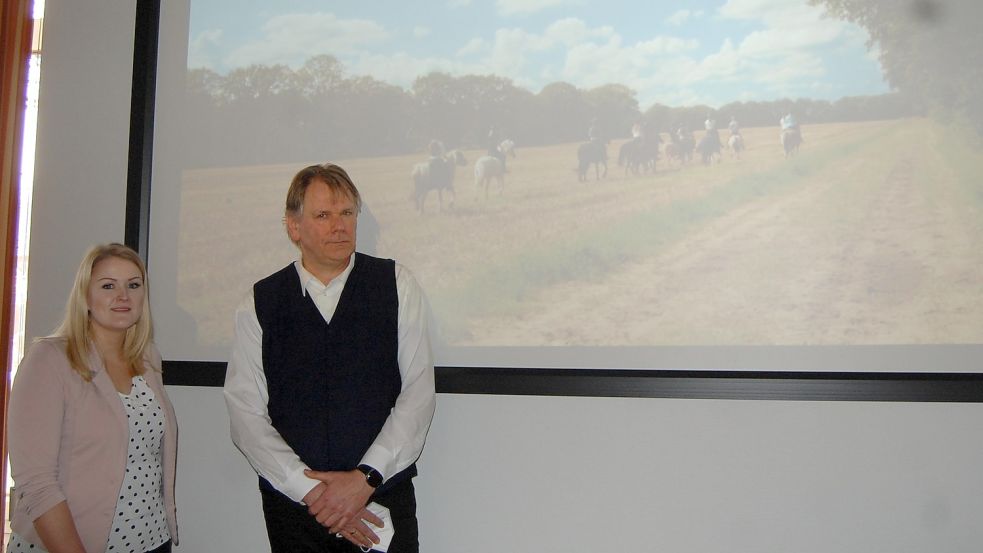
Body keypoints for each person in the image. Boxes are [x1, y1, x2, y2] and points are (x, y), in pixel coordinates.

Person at [224, 163, 436, 553]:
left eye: (347, 214)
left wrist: (364, 480)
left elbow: (418, 393)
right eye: (323, 215)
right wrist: (313, 493)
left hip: (382, 503)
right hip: (295, 513)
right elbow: (245, 414)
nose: (339, 226)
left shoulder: (396, 285)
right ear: (293, 227)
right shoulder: (259, 302)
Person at [7, 243, 179, 553]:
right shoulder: (49, 359)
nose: (123, 295)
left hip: (151, 540)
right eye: (108, 285)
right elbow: (36, 483)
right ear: (85, 296)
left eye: (133, 285)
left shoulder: (149, 359)